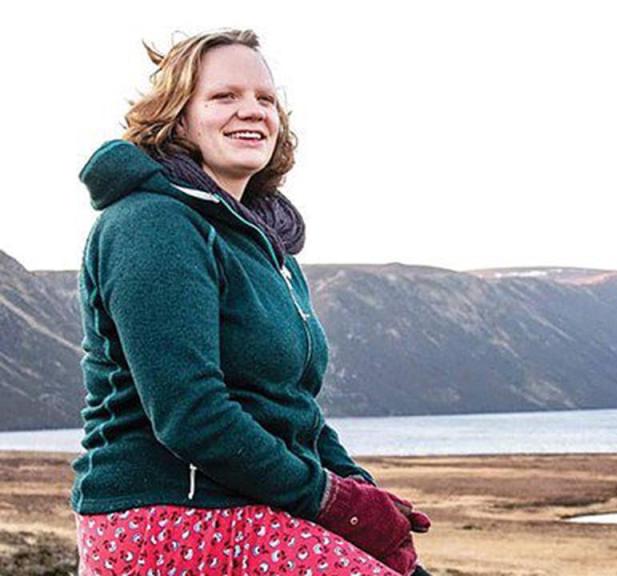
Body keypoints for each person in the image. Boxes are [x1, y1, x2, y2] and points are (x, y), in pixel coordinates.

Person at [71, 29, 431, 575]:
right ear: (178, 117)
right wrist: (334, 502)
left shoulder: (263, 246)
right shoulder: (153, 223)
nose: (253, 111)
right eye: (224, 96)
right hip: (168, 515)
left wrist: (362, 495)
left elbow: (294, 412)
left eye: (266, 98)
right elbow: (190, 415)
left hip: (249, 504)